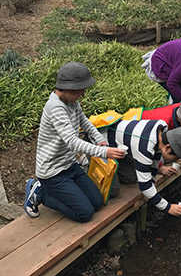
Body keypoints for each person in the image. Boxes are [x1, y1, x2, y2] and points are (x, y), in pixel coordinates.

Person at [23, 62, 126, 222]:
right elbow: (73, 142)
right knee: (85, 213)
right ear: (69, 89)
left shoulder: (71, 101)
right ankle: (39, 192)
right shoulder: (55, 108)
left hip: (70, 166)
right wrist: (105, 152)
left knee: (97, 202)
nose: (83, 94)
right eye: (81, 91)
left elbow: (83, 121)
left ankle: (63, 191)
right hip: (53, 172)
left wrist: (100, 140)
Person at [106, 120, 181, 216]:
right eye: (176, 157)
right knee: (116, 188)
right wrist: (167, 207)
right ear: (167, 148)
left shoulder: (162, 127)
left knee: (133, 176)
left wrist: (152, 179)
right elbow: (144, 186)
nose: (177, 160)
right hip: (105, 146)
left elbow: (156, 155)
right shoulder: (144, 148)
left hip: (124, 144)